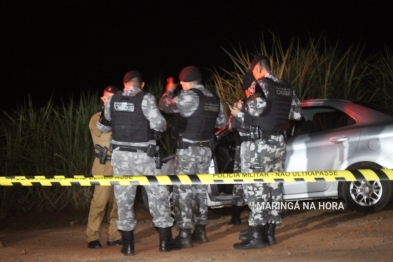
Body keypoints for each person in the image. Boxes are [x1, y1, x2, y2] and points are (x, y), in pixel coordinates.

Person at [96, 71, 181, 256]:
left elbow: (102, 126)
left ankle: (127, 246)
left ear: (124, 83)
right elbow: (159, 124)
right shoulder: (146, 98)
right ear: (141, 85)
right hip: (145, 157)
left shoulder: (112, 100)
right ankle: (165, 242)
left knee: (124, 200)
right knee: (157, 196)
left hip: (121, 158)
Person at [230, 55, 303, 250]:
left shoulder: (260, 84)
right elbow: (296, 113)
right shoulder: (286, 86)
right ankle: (270, 233)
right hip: (278, 142)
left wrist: (239, 110)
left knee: (257, 189)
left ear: (257, 69)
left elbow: (256, 109)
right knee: (274, 187)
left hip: (259, 144)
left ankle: (256, 235)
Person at [159, 66, 227, 248]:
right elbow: (221, 122)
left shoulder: (190, 96)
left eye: (181, 82)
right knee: (200, 189)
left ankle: (184, 235)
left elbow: (165, 105)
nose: (181, 85)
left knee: (184, 190)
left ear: (187, 81)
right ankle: (201, 231)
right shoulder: (214, 98)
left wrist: (170, 89)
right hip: (206, 150)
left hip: (189, 149)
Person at [86, 85, 123, 249]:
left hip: (120, 164)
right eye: (107, 97)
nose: (109, 100)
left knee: (118, 204)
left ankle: (114, 236)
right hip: (103, 164)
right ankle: (92, 237)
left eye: (113, 98)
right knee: (99, 203)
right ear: (102, 99)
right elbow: (100, 130)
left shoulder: (122, 118)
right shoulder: (97, 117)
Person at [227, 71, 256, 225]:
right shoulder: (242, 104)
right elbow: (231, 127)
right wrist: (235, 112)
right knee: (239, 182)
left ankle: (257, 217)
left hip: (253, 147)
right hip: (241, 147)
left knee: (254, 183)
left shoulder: (258, 104)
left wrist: (240, 114)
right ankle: (236, 215)